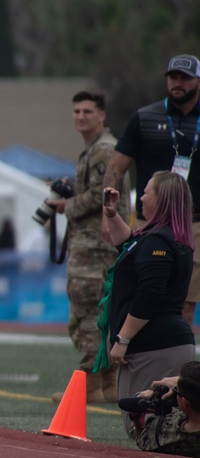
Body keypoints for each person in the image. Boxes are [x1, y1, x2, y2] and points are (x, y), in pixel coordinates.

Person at [104, 54, 200, 326]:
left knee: (183, 305)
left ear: (198, 82)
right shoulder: (145, 117)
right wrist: (106, 213)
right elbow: (116, 167)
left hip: (194, 225)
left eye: (185, 78)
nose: (177, 83)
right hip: (150, 224)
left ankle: (179, 367)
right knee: (144, 293)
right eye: (173, 78)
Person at [47, 91, 126, 403]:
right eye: (76, 111)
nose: (80, 117)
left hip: (94, 249)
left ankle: (89, 385)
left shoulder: (102, 149)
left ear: (101, 115)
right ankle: (106, 385)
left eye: (87, 112)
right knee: (99, 315)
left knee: (87, 316)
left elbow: (102, 195)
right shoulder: (97, 149)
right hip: (97, 247)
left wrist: (65, 205)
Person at [99, 172, 195, 414]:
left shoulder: (158, 242)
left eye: (146, 191)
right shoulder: (165, 237)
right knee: (155, 428)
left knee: (147, 426)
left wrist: (123, 339)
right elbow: (129, 246)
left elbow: (149, 294)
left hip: (154, 347)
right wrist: (112, 215)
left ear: (160, 199)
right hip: (165, 344)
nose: (141, 197)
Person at [123, 361, 200, 457]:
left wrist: (137, 419)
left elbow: (143, 439)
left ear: (184, 403)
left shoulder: (165, 433)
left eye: (177, 391)